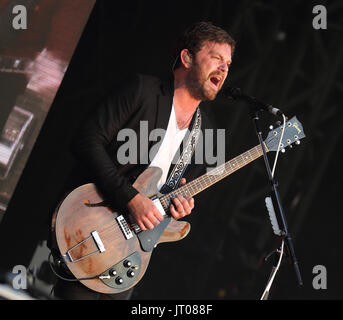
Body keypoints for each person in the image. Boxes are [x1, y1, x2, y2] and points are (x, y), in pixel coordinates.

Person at [50, 21, 235, 300]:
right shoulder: (142, 91)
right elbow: (86, 141)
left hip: (131, 251)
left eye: (228, 64)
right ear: (186, 58)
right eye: (216, 58)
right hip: (90, 226)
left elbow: (169, 195)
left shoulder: (205, 131)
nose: (223, 68)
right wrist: (131, 198)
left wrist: (180, 206)